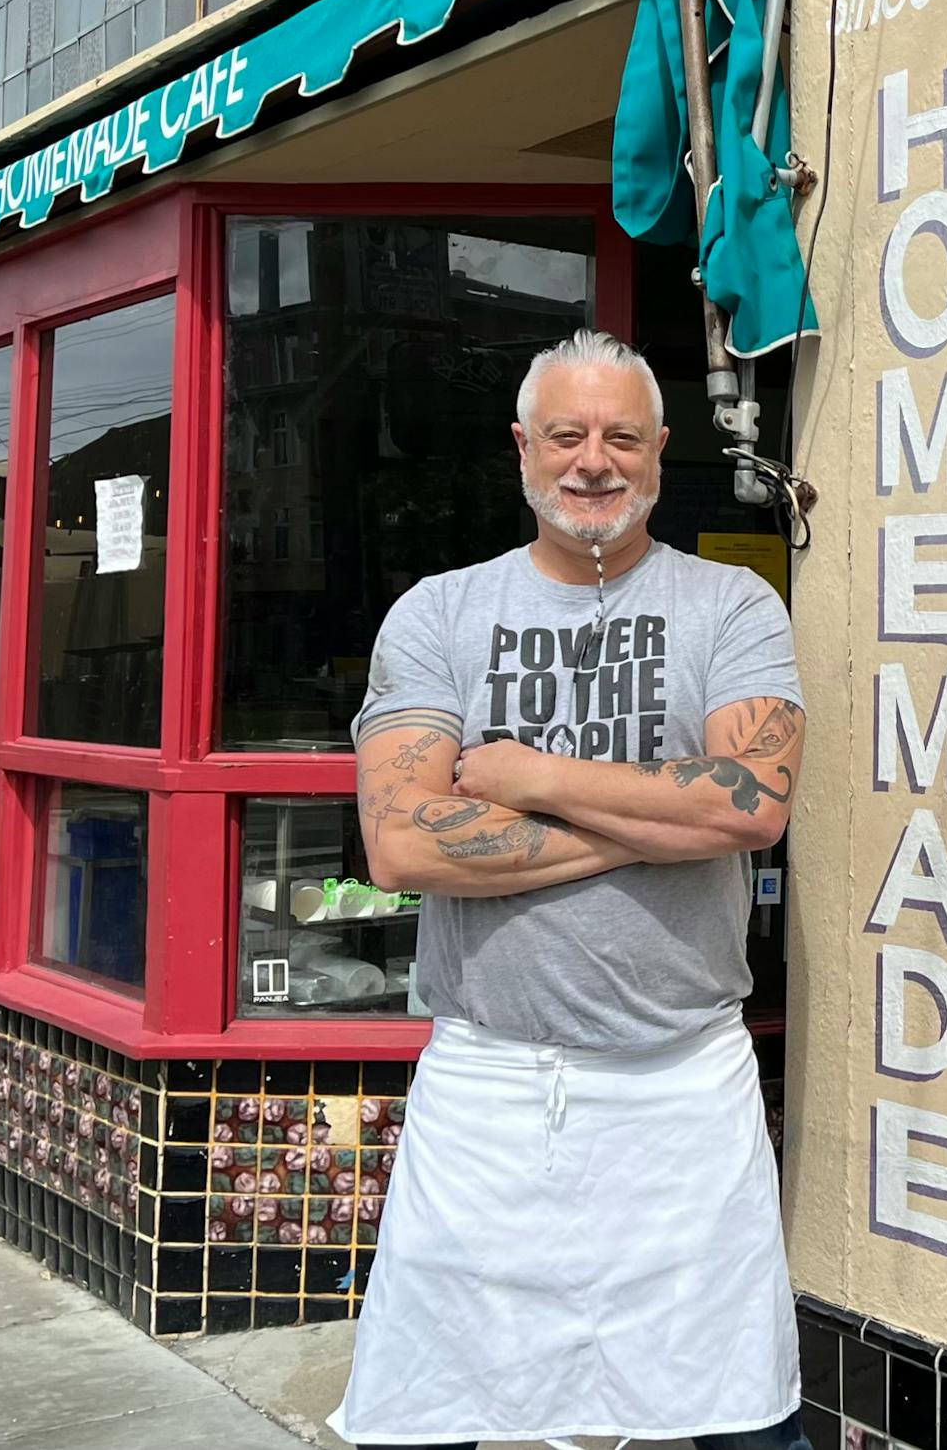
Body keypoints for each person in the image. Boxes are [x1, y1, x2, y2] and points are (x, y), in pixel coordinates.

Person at [327, 329, 811, 1450]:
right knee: (427, 1413)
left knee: (740, 1415)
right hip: (490, 1081)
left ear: (658, 451)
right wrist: (659, 824)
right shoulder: (440, 613)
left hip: (684, 1074)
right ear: (524, 450)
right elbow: (401, 845)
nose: (593, 460)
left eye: (620, 437)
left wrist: (530, 779)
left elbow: (751, 809)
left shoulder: (732, 607)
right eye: (567, 435)